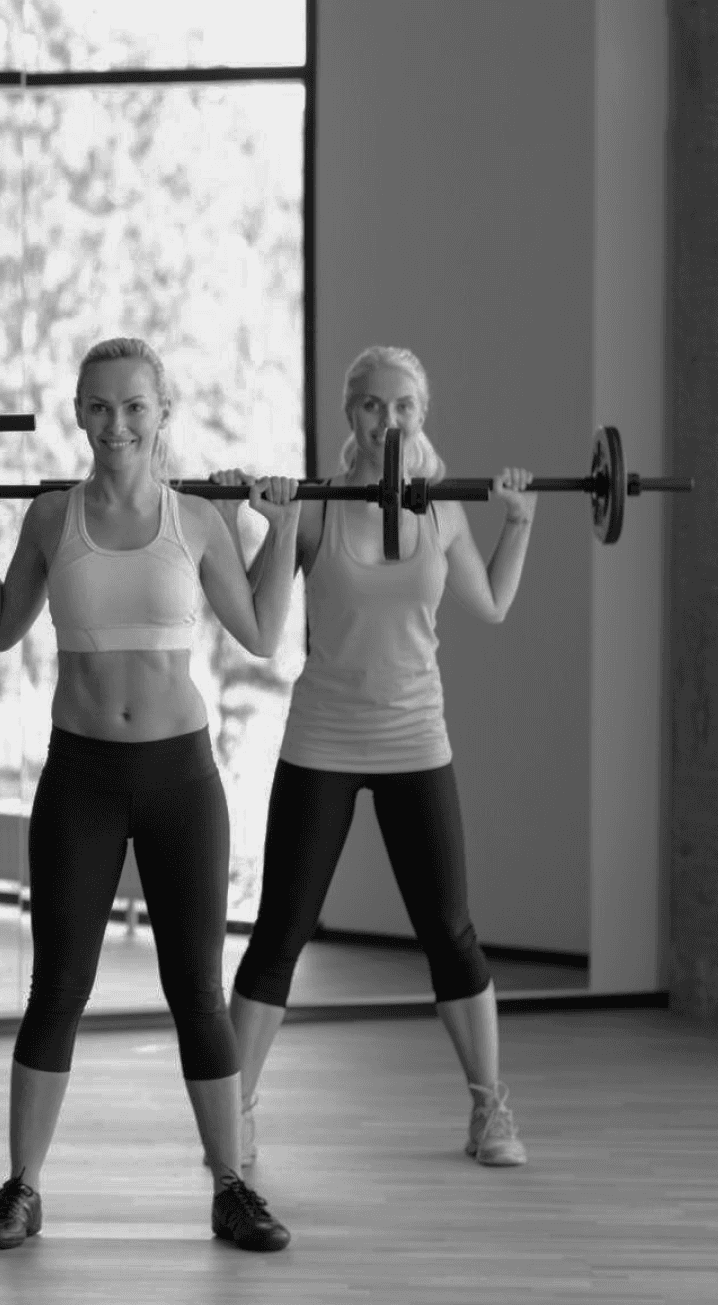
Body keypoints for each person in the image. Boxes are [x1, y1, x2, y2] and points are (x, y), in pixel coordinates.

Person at [0, 337, 299, 1255]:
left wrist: (285, 524)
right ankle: (20, 1188)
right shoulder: (51, 516)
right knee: (55, 986)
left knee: (197, 991)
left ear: (162, 413)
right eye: (98, 407)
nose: (115, 425)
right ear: (76, 411)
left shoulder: (200, 520)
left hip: (179, 776)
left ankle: (232, 1187)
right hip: (82, 777)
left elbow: (261, 632)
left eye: (133, 407)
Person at [224, 345, 535, 1169]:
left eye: (402, 406)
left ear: (420, 415)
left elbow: (493, 604)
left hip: (413, 737)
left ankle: (488, 1109)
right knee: (279, 932)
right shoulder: (319, 507)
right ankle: (234, 1111)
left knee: (449, 929)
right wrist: (276, 519)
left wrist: (521, 520)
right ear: (348, 413)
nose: (385, 420)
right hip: (322, 734)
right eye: (369, 405)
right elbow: (258, 623)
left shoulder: (443, 509)